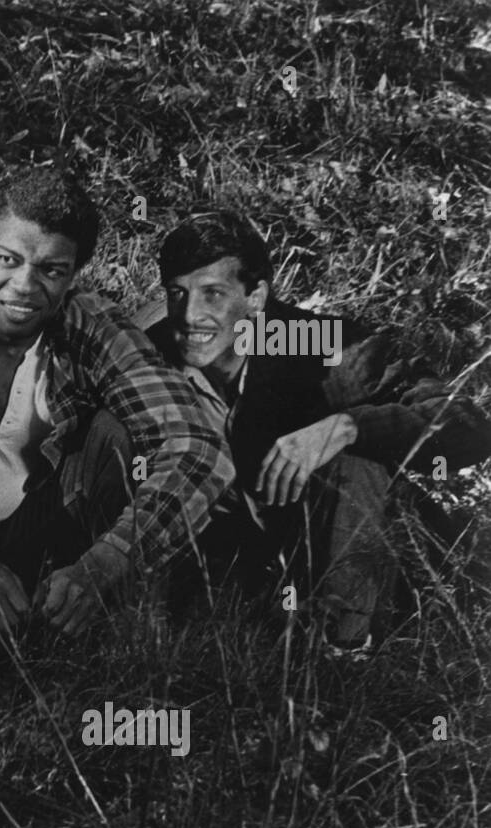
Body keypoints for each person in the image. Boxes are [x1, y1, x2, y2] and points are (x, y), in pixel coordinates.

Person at [0, 163, 234, 641]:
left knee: (117, 434)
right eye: (8, 260)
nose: (26, 286)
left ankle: (121, 631)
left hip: (44, 532)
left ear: (73, 275)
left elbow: (199, 447)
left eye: (51, 270)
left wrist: (106, 563)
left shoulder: (88, 322)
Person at [137, 210, 491, 651]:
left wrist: (346, 426)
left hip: (345, 561)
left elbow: (468, 428)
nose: (191, 316)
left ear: (256, 297)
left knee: (353, 455)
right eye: (178, 293)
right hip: (233, 573)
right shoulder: (151, 351)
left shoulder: (318, 345)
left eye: (213, 294)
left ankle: (344, 651)